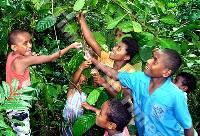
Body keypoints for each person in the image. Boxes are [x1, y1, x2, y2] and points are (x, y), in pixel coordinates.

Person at [84, 48, 195, 136]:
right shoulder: (139, 78)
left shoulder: (176, 95)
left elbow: (188, 127)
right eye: (152, 57)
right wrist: (93, 60)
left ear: (166, 73)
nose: (149, 60)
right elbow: (115, 74)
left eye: (155, 60)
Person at [6, 30, 81, 136]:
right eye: (25, 43)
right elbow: (51, 57)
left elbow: (22, 59)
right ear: (14, 47)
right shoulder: (23, 61)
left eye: (30, 42)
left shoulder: (11, 55)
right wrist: (71, 46)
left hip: (11, 103)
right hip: (18, 107)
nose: (30, 45)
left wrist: (29, 55)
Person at [77, 13, 141, 97]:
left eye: (119, 48)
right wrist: (81, 19)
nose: (114, 49)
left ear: (126, 57)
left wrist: (104, 83)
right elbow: (91, 41)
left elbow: (124, 100)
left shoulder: (131, 72)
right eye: (116, 46)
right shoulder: (107, 58)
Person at [62, 60, 91, 136]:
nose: (80, 83)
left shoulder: (85, 93)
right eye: (78, 80)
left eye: (84, 81)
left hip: (79, 119)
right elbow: (73, 82)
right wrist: (81, 67)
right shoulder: (72, 90)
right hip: (68, 119)